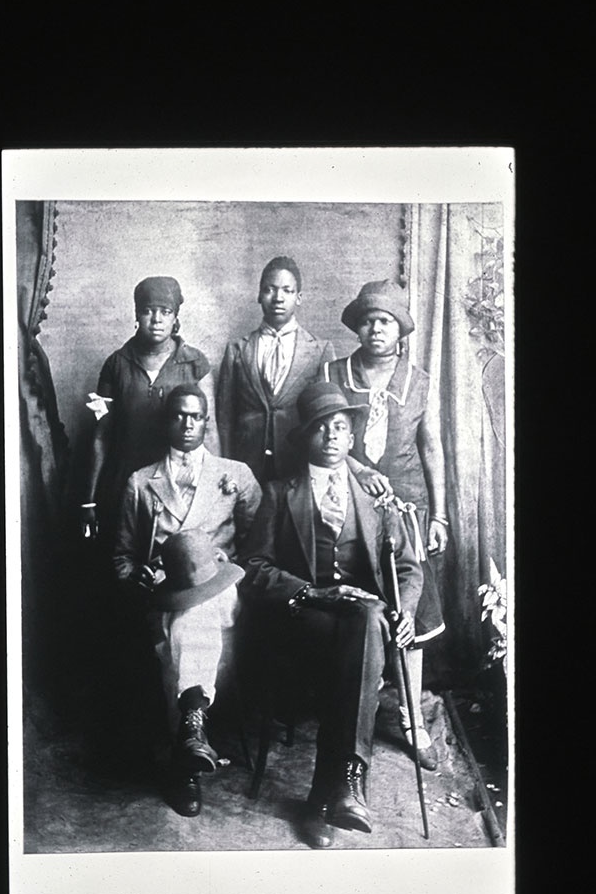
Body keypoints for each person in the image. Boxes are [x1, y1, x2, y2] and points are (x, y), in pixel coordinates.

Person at [238, 380, 424, 849]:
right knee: (362, 631)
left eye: (341, 428)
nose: (334, 437)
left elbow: (406, 567)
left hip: (362, 617)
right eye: (323, 429)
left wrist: (405, 611)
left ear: (352, 437)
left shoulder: (375, 500)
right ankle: (342, 783)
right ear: (307, 439)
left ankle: (329, 791)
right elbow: (252, 567)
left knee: (365, 622)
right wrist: (309, 594)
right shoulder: (281, 493)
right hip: (301, 617)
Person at [109, 388, 263, 816]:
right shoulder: (141, 482)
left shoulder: (236, 475)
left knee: (191, 614)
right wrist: (135, 577)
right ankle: (191, 737)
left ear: (207, 422)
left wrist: (232, 572)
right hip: (163, 590)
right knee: (182, 615)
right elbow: (121, 557)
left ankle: (186, 762)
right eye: (178, 416)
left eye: (196, 417)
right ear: (166, 423)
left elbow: (258, 548)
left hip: (223, 589)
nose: (188, 424)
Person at [321, 281, 448, 770]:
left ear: (400, 331)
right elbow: (321, 436)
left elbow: (430, 447)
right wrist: (358, 469)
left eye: (386, 321)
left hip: (406, 511)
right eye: (369, 320)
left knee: (409, 613)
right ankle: (354, 712)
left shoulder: (417, 380)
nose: (376, 328)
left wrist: (437, 515)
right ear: (357, 325)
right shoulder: (335, 372)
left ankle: (413, 719)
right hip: (348, 505)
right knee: (358, 608)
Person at [78, 277, 219, 541]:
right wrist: (89, 500)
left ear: (175, 317)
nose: (156, 319)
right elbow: (101, 435)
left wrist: (217, 488)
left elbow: (209, 430)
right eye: (148, 311)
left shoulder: (194, 363)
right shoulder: (116, 364)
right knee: (125, 561)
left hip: (178, 484)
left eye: (165, 312)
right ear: (136, 315)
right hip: (124, 483)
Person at [214, 256, 333, 487]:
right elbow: (225, 418)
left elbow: (325, 416)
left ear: (299, 298)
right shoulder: (237, 349)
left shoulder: (320, 350)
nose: (278, 298)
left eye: (287, 291)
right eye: (270, 290)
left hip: (298, 465)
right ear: (259, 295)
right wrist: (226, 466)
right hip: (247, 465)